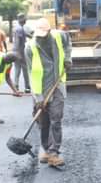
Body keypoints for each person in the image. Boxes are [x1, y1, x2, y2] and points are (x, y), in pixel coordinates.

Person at [25, 18, 72, 168]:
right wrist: (38, 97)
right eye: (38, 34)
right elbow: (31, 73)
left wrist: (68, 58)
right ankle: (46, 149)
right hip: (40, 89)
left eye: (44, 34)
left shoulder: (59, 36)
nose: (40, 36)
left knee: (56, 119)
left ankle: (54, 152)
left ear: (50, 31)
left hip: (57, 85)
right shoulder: (30, 48)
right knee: (43, 122)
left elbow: (67, 44)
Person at [13, 14, 31, 93]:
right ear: (21, 20)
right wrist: (19, 54)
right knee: (24, 70)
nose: (25, 20)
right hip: (20, 52)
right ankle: (27, 87)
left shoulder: (19, 28)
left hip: (16, 52)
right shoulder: (19, 29)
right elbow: (17, 42)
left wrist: (33, 36)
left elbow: (27, 35)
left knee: (17, 69)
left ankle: (16, 87)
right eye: (24, 19)